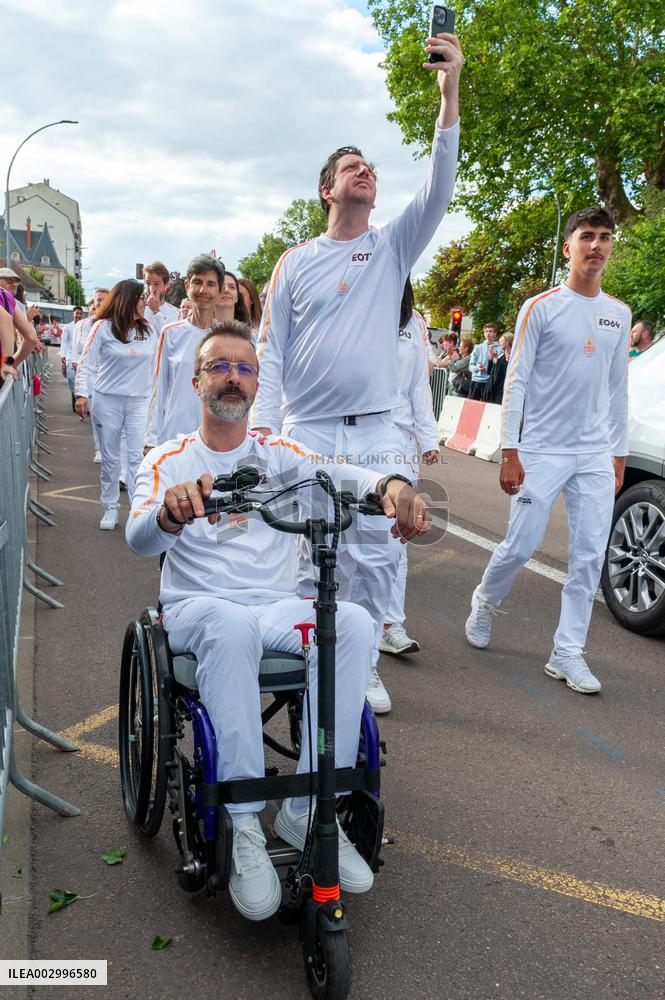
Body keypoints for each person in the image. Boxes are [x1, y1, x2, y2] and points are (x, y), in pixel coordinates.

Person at [126, 320, 431, 921]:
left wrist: (393, 484)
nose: (232, 377)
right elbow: (138, 539)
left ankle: (310, 809)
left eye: (244, 368)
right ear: (197, 381)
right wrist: (167, 513)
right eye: (219, 366)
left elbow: (340, 475)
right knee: (229, 627)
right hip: (196, 608)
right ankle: (243, 824)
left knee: (353, 623)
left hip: (271, 604)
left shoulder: (277, 451)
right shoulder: (168, 458)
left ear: (257, 382)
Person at [251, 30, 463, 713]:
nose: (364, 170)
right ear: (326, 189)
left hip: (375, 433)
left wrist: (447, 90)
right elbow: (272, 353)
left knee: (374, 553)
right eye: (350, 165)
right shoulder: (294, 260)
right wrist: (265, 432)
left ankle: (363, 664)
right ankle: (314, 654)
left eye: (370, 165)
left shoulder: (393, 245)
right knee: (308, 555)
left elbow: (440, 185)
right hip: (306, 429)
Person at [465, 206, 630, 695]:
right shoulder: (541, 306)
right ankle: (485, 601)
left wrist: (617, 454)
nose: (596, 245)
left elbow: (618, 388)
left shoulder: (618, 314)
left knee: (587, 557)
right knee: (521, 543)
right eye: (586, 237)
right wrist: (510, 449)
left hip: (595, 454)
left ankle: (567, 652)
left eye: (604, 237)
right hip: (541, 450)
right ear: (568, 247)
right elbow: (514, 382)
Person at [379, 278, 440, 657]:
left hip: (399, 441)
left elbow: (419, 383)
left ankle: (391, 625)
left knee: (399, 536)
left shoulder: (415, 323)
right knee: (360, 541)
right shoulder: (356, 312)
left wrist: (428, 438)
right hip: (358, 437)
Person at [75, 280, 156, 530]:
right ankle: (110, 507)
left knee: (136, 458)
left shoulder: (150, 330)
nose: (145, 302)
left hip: (139, 402)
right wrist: (81, 394)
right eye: (141, 298)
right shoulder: (102, 328)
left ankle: (137, 509)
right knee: (111, 458)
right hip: (107, 399)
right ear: (128, 301)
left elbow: (158, 365)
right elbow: (86, 363)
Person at [144, 254, 225, 450]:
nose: (203, 290)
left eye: (210, 284)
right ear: (187, 286)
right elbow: (158, 389)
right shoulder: (170, 333)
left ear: (221, 291)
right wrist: (150, 439)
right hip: (174, 437)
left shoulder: (226, 337)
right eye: (197, 282)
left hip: (216, 439)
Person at [71, 288, 109, 462]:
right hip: (92, 375)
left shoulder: (115, 323)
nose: (100, 303)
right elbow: (79, 348)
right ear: (93, 303)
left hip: (109, 376)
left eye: (104, 299)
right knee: (97, 416)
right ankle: (99, 449)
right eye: (98, 300)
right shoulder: (85, 324)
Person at [468, 323, 503, 400]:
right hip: (476, 381)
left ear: (495, 333)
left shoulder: (500, 348)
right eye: (486, 331)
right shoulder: (478, 348)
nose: (488, 333)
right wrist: (477, 368)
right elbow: (470, 367)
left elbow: (500, 366)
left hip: (489, 382)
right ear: (484, 333)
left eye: (490, 331)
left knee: (487, 407)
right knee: (472, 407)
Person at [143, 261, 180, 332]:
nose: (151, 288)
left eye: (156, 284)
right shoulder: (138, 311)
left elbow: (169, 339)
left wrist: (155, 311)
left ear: (166, 285)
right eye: (148, 283)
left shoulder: (176, 314)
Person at [60, 306, 84, 407]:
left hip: (81, 357)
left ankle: (81, 396)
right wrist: (63, 355)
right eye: (76, 313)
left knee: (82, 378)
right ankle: (74, 393)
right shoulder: (67, 327)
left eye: (80, 313)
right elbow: (64, 342)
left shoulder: (84, 326)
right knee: (71, 377)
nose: (78, 315)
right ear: (73, 314)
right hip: (70, 356)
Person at [485, 334, 513, 404]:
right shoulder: (501, 356)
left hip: (503, 391)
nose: (499, 342)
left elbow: (505, 372)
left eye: (502, 340)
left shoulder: (512, 356)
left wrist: (499, 361)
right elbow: (489, 372)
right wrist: (492, 358)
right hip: (494, 390)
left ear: (507, 342)